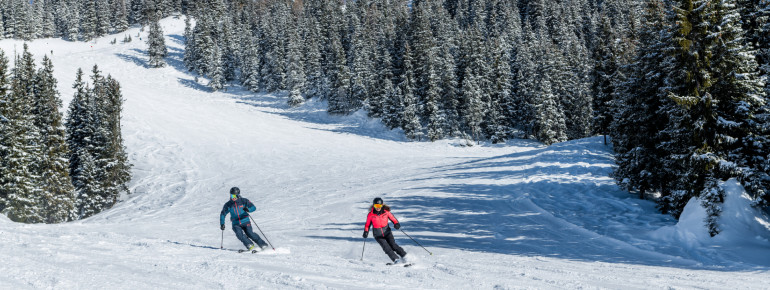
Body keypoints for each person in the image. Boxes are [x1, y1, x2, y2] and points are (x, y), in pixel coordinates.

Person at [220, 187, 268, 252]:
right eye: (232, 195)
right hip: (235, 223)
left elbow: (253, 207)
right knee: (239, 235)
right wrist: (222, 223)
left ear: (238, 195)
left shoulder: (244, 201)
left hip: (245, 220)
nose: (233, 197)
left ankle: (263, 245)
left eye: (235, 195)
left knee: (250, 233)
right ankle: (250, 245)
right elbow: (223, 214)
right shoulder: (228, 205)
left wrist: (248, 209)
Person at [363, 197, 407, 264]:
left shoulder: (386, 212)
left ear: (382, 205)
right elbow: (367, 225)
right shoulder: (370, 215)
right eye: (376, 206)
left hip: (387, 232)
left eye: (379, 205)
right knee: (386, 248)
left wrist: (396, 224)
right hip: (378, 235)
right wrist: (366, 232)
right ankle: (396, 259)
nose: (378, 207)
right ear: (373, 205)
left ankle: (405, 256)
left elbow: (393, 219)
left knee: (393, 245)